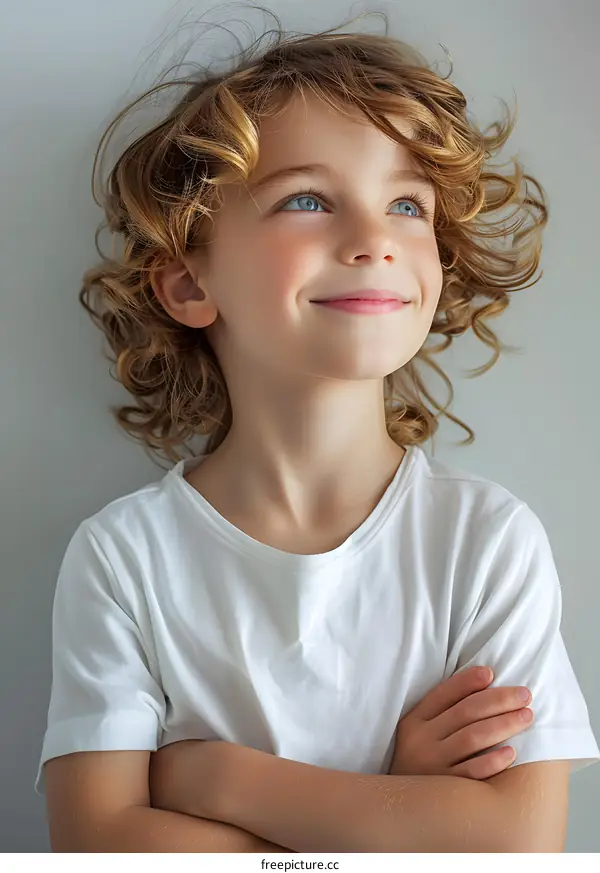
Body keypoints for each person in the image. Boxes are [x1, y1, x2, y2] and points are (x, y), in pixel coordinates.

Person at [36, 15, 598, 853]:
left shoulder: (484, 541)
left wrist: (217, 777)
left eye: (407, 204)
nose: (374, 241)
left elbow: (516, 846)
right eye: (307, 199)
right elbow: (98, 845)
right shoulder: (123, 559)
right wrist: (397, 806)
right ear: (190, 280)